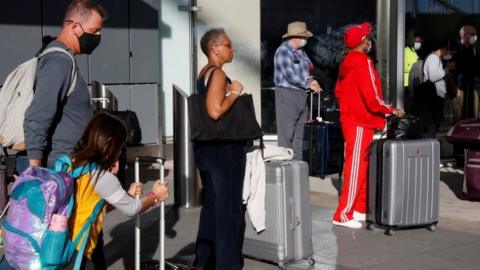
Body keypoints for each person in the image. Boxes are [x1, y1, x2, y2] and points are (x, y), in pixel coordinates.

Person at [66, 112, 169, 269]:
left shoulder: (73, 164)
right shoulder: (101, 176)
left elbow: (90, 207)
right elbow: (132, 209)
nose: (120, 153)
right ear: (109, 143)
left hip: (63, 245)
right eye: (120, 147)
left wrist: (125, 195)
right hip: (78, 253)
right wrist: (155, 196)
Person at [333, 22, 404, 229]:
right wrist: (390, 109)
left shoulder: (347, 62)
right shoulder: (362, 61)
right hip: (359, 120)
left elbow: (339, 91)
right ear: (362, 41)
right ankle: (343, 214)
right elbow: (372, 95)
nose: (370, 40)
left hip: (354, 119)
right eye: (367, 37)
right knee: (356, 167)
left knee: (360, 166)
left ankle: (358, 209)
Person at [24, 0, 106, 169]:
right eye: (93, 31)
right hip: (60, 171)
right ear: (75, 26)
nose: (97, 36)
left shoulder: (64, 59)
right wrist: (35, 172)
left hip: (70, 165)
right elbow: (38, 115)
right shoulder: (59, 61)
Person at [193, 28, 248, 270]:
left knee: (213, 208)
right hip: (224, 150)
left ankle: (205, 261)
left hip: (208, 149)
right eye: (227, 45)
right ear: (214, 48)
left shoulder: (203, 74)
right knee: (229, 210)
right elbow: (215, 110)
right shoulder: (216, 74)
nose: (232, 49)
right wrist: (234, 93)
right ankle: (228, 265)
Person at [274, 21, 322, 160]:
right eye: (304, 37)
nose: (306, 40)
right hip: (287, 94)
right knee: (286, 135)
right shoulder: (283, 52)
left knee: (299, 134)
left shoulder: (301, 52)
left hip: (301, 94)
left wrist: (312, 80)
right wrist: (309, 84)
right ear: (295, 37)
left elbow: (309, 68)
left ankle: (298, 167)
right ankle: (284, 169)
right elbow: (290, 76)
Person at [417, 41, 456, 138]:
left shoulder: (437, 59)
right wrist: (447, 69)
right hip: (433, 97)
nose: (450, 55)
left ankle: (430, 143)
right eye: (450, 53)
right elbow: (433, 77)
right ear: (444, 49)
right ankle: (428, 145)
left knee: (436, 123)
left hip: (436, 97)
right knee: (432, 125)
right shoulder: (433, 58)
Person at [455, 25, 478, 119]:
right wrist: (455, 87)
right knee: (460, 115)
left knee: (474, 114)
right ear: (464, 35)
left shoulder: (473, 49)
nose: (475, 36)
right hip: (459, 88)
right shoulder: (455, 49)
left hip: (472, 86)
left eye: (476, 34)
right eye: (472, 34)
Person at [404, 32, 423, 113]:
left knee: (413, 105)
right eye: (417, 41)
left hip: (413, 83)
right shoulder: (406, 50)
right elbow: (403, 66)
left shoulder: (413, 51)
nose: (419, 43)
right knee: (408, 105)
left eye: (420, 42)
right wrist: (415, 66)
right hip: (406, 83)